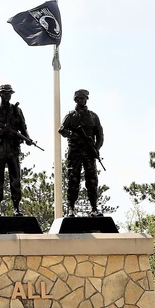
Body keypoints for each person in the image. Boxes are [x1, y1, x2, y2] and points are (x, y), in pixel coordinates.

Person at [0, 84, 35, 216]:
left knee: (15, 179)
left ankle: (16, 207)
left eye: (9, 93)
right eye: (4, 93)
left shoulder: (17, 111)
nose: (7, 96)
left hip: (13, 149)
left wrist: (28, 139)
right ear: (0, 94)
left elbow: (23, 127)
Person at [59, 89, 104, 217]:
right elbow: (61, 130)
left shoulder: (93, 116)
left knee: (92, 180)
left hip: (89, 153)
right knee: (73, 179)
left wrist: (96, 148)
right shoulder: (70, 115)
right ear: (75, 100)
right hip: (75, 152)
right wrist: (73, 135)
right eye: (78, 98)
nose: (81, 100)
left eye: (83, 98)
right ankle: (71, 208)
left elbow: (100, 134)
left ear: (86, 99)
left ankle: (94, 208)